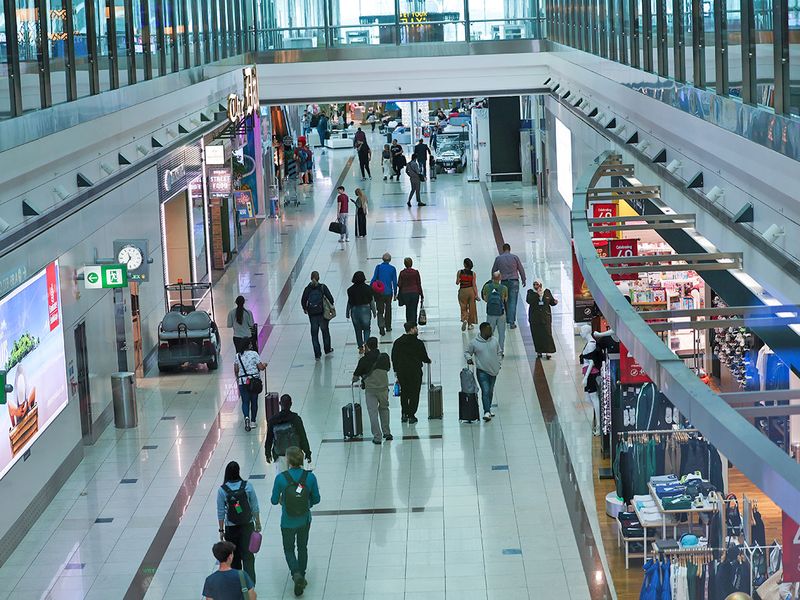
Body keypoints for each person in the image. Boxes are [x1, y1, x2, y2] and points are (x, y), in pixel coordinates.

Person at [271, 446, 321, 597]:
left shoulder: (281, 478)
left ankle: (295, 574)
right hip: (305, 520)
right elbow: (317, 499)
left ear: (288, 460)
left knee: (288, 549)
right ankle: (302, 575)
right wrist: (308, 504)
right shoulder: (310, 477)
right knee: (302, 547)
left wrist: (282, 500)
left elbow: (273, 501)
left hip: (287, 521)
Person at [217, 461, 261, 585]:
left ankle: (239, 585)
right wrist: (257, 522)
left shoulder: (222, 490)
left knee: (234, 558)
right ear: (238, 471)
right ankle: (250, 584)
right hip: (247, 526)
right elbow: (254, 506)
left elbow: (220, 512)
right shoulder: (247, 486)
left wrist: (221, 530)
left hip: (231, 529)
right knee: (248, 556)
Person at [352, 337, 393, 444]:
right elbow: (388, 368)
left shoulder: (363, 360)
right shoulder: (384, 357)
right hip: (383, 388)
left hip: (371, 390)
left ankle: (377, 437)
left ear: (368, 347)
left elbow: (356, 376)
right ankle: (387, 433)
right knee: (384, 409)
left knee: (373, 413)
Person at [390, 322, 432, 424]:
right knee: (414, 393)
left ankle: (404, 413)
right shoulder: (418, 343)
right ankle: (411, 414)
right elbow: (423, 357)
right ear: (412, 329)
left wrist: (396, 370)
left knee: (404, 392)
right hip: (415, 371)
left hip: (402, 371)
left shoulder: (398, 342)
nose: (417, 330)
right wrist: (428, 360)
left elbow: (394, 357)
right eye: (416, 328)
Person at [464, 322, 503, 422]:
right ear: (482, 331)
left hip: (494, 371)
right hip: (482, 371)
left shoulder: (494, 340)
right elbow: (467, 352)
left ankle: (488, 409)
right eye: (488, 329)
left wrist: (499, 364)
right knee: (485, 390)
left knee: (490, 391)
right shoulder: (474, 343)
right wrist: (469, 358)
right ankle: (486, 411)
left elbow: (499, 352)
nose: (490, 331)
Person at [265, 394, 312, 472]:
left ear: (280, 404)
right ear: (291, 404)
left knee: (283, 480)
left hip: (280, 455)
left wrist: (268, 453)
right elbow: (303, 437)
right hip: (295, 455)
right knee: (297, 479)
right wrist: (307, 452)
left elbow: (269, 438)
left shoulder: (273, 420)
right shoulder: (295, 419)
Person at [491, 243, 527, 329]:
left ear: (503, 249)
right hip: (514, 282)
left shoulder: (498, 258)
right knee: (513, 302)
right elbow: (521, 269)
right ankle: (511, 322)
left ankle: (507, 319)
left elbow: (494, 271)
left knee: (505, 301)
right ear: (509, 249)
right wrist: (523, 279)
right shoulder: (515, 257)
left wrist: (494, 282)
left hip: (503, 282)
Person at [300, 271, 334, 360]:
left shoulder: (307, 289)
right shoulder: (322, 287)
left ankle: (317, 354)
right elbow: (331, 298)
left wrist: (305, 308)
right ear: (318, 277)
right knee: (325, 332)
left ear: (311, 278)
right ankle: (327, 349)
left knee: (314, 334)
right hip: (322, 313)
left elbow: (303, 300)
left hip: (312, 314)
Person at [233, 341, 266, 432]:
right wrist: (265, 365)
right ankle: (253, 421)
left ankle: (246, 417)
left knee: (245, 401)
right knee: (254, 401)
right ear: (249, 345)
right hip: (254, 381)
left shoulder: (238, 355)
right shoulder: (254, 354)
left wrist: (237, 378)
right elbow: (260, 367)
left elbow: (236, 369)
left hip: (243, 382)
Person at [526, 280, 558, 359]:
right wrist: (537, 295)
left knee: (547, 334)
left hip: (545, 317)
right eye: (534, 284)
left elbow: (550, 301)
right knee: (537, 335)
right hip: (535, 318)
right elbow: (529, 301)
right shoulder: (530, 292)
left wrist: (554, 302)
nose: (536, 286)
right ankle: (539, 351)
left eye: (537, 284)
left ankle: (548, 352)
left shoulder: (546, 292)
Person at [346, 271, 376, 354]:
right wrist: (374, 311)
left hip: (355, 311)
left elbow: (349, 302)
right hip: (365, 310)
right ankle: (366, 343)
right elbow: (371, 301)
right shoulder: (368, 288)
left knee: (357, 330)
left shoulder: (350, 290)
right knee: (367, 329)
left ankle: (360, 347)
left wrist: (347, 312)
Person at [481, 271, 508, 354]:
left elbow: (485, 299)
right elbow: (505, 300)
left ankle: (489, 350)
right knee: (501, 333)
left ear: (492, 277)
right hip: (501, 313)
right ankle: (500, 351)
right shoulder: (504, 288)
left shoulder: (487, 287)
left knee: (489, 332)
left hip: (491, 313)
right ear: (500, 278)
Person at [371, 253, 397, 336]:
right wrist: (395, 293)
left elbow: (374, 278)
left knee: (380, 310)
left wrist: (370, 288)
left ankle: (381, 327)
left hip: (379, 292)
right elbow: (395, 282)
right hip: (388, 292)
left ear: (382, 259)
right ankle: (388, 326)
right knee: (388, 309)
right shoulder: (392, 269)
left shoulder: (378, 267)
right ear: (390, 260)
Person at [397, 257, 423, 326]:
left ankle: (409, 324)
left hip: (405, 293)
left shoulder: (402, 273)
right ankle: (414, 324)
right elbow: (418, 284)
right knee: (414, 309)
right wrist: (421, 294)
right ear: (411, 263)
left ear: (404, 264)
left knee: (408, 309)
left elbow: (399, 284)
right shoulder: (415, 272)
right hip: (415, 293)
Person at [456, 258, 480, 331]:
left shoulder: (460, 272)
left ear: (464, 264)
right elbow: (474, 285)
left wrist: (460, 279)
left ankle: (465, 319)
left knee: (463, 306)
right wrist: (476, 295)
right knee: (472, 308)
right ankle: (470, 325)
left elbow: (457, 282)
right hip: (471, 291)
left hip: (463, 291)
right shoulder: (473, 274)